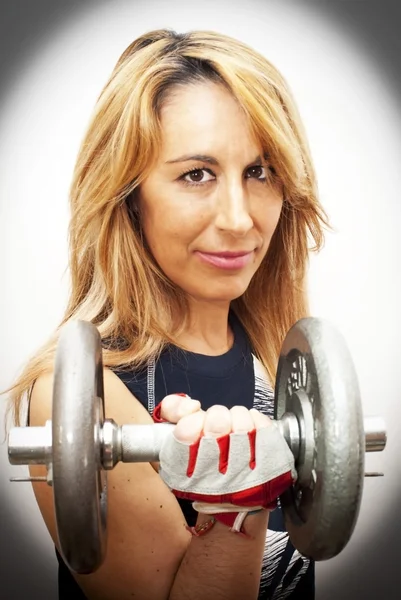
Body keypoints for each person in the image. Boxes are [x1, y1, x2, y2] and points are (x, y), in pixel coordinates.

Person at [7, 28, 329, 599]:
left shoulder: (279, 368)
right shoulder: (79, 395)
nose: (238, 218)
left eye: (259, 172)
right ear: (129, 198)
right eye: (196, 175)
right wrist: (236, 502)